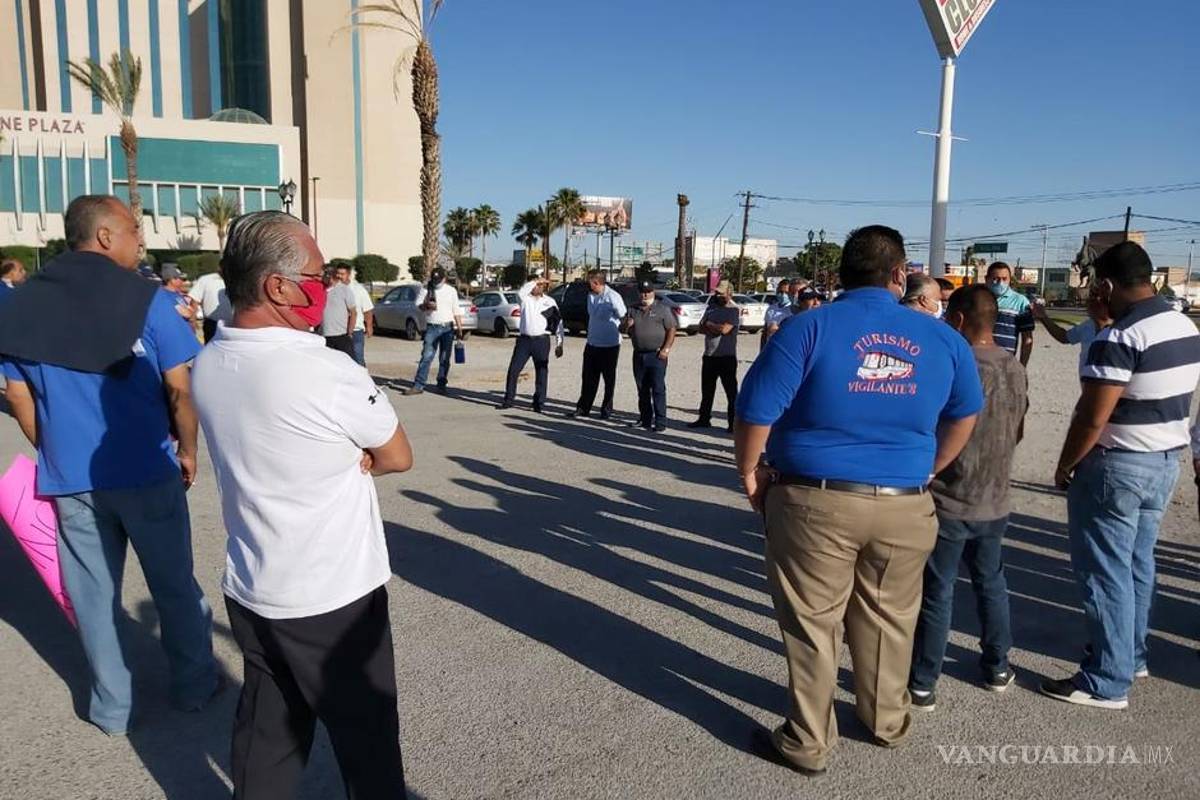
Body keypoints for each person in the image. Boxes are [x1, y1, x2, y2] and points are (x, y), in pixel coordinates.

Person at [734, 225, 982, 775]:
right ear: (899, 274)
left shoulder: (807, 328)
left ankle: (809, 739)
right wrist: (930, 468)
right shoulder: (942, 338)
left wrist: (749, 472)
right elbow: (965, 413)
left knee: (813, 622)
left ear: (842, 274)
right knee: (890, 617)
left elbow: (755, 413)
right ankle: (885, 719)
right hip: (905, 500)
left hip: (813, 500)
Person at [192, 211, 412, 798]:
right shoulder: (326, 369)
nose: (325, 285)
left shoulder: (209, 360)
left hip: (252, 584)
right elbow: (397, 455)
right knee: (367, 744)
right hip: (331, 595)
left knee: (268, 734)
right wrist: (357, 456)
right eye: (316, 275)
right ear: (278, 287)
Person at [0, 195, 217, 736]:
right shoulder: (150, 302)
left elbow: (19, 397)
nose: (140, 240)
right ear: (104, 236)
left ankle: (111, 708)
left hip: (70, 480)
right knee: (174, 584)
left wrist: (54, 449)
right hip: (147, 469)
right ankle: (193, 686)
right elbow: (180, 392)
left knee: (92, 598)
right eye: (133, 230)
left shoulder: (19, 306)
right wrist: (188, 450)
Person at [1042, 242, 1200, 710]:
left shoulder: (1120, 337)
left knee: (1105, 571)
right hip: (1164, 460)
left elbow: (1093, 416)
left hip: (1117, 465)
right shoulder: (1183, 324)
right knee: (1137, 563)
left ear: (1106, 285)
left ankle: (1107, 679)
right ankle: (1132, 655)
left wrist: (1066, 464)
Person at [909, 285, 1028, 711]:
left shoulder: (955, 365)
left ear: (958, 319)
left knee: (938, 591)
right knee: (991, 582)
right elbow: (1019, 428)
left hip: (950, 496)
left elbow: (934, 425)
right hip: (995, 496)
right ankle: (997, 665)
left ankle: (923, 680)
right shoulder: (1015, 366)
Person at [501, 277, 564, 413]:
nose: (538, 287)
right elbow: (521, 292)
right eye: (536, 285)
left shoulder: (549, 301)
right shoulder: (525, 299)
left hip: (542, 340)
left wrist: (559, 343)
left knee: (541, 371)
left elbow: (558, 322)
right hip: (524, 340)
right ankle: (508, 399)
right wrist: (535, 280)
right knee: (514, 370)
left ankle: (539, 402)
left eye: (541, 285)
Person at [621, 279, 676, 431]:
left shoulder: (662, 309)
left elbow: (671, 329)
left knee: (658, 388)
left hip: (657, 355)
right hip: (639, 354)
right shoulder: (632, 309)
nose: (644, 295)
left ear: (653, 292)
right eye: (642, 292)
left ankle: (660, 422)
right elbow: (622, 329)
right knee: (642, 389)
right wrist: (627, 325)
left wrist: (666, 349)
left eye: (647, 292)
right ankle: (645, 419)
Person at [571, 269, 626, 419]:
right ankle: (583, 408)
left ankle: (606, 409)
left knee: (608, 379)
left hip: (609, 345)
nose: (587, 285)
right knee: (588, 378)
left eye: (589, 282)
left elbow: (623, 316)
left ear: (596, 282)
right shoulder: (590, 296)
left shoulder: (613, 297)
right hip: (592, 343)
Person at [688, 281, 740, 432]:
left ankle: (733, 423)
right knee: (707, 390)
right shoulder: (711, 308)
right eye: (716, 293)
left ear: (729, 293)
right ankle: (704, 418)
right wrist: (713, 326)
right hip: (710, 356)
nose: (717, 296)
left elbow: (725, 329)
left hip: (726, 357)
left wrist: (711, 325)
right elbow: (701, 327)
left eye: (721, 293)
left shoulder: (733, 310)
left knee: (731, 392)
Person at [404, 266, 462, 395]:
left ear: (444, 279)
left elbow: (456, 310)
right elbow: (417, 304)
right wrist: (426, 305)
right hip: (432, 327)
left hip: (447, 327)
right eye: (434, 280)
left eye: (439, 280)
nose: (436, 283)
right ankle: (418, 385)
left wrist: (459, 328)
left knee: (444, 358)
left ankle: (441, 385)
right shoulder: (426, 289)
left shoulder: (451, 291)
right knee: (426, 356)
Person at [1030, 287, 1112, 375]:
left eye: (1100, 296)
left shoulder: (1120, 328)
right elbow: (1064, 337)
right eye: (1091, 296)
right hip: (1088, 382)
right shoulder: (1087, 326)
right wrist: (1043, 317)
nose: (1093, 300)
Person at [986, 262, 1034, 365]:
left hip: (1005, 363)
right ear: (987, 279)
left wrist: (1022, 366)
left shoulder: (1020, 302)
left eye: (1004, 279)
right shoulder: (979, 299)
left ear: (1010, 280)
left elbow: (1027, 338)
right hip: (979, 361)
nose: (1000, 283)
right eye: (995, 279)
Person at [321, 266, 357, 360]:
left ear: (331, 276)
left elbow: (353, 312)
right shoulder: (321, 290)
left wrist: (350, 332)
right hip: (324, 335)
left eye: (324, 275)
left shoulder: (344, 289)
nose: (322, 278)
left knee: (349, 362)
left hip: (341, 335)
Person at [188, 267, 233, 343]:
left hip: (233, 324)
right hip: (212, 324)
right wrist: (192, 320)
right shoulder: (205, 280)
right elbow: (194, 301)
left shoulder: (239, 279)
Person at [343, 265, 375, 367]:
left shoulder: (359, 290)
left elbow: (367, 309)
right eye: (338, 274)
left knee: (358, 358)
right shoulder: (334, 288)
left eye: (342, 274)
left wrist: (369, 326)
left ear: (348, 274)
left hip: (356, 330)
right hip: (340, 330)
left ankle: (362, 375)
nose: (339, 276)